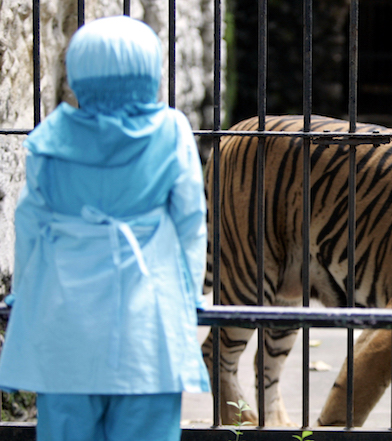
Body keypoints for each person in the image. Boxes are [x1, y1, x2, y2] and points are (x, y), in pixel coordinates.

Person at [0, 15, 210, 441]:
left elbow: (29, 228)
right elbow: (191, 222)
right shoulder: (171, 133)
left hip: (65, 324)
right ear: (150, 71)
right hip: (147, 324)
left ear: (78, 74)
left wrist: (22, 293)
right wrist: (190, 295)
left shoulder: (49, 137)